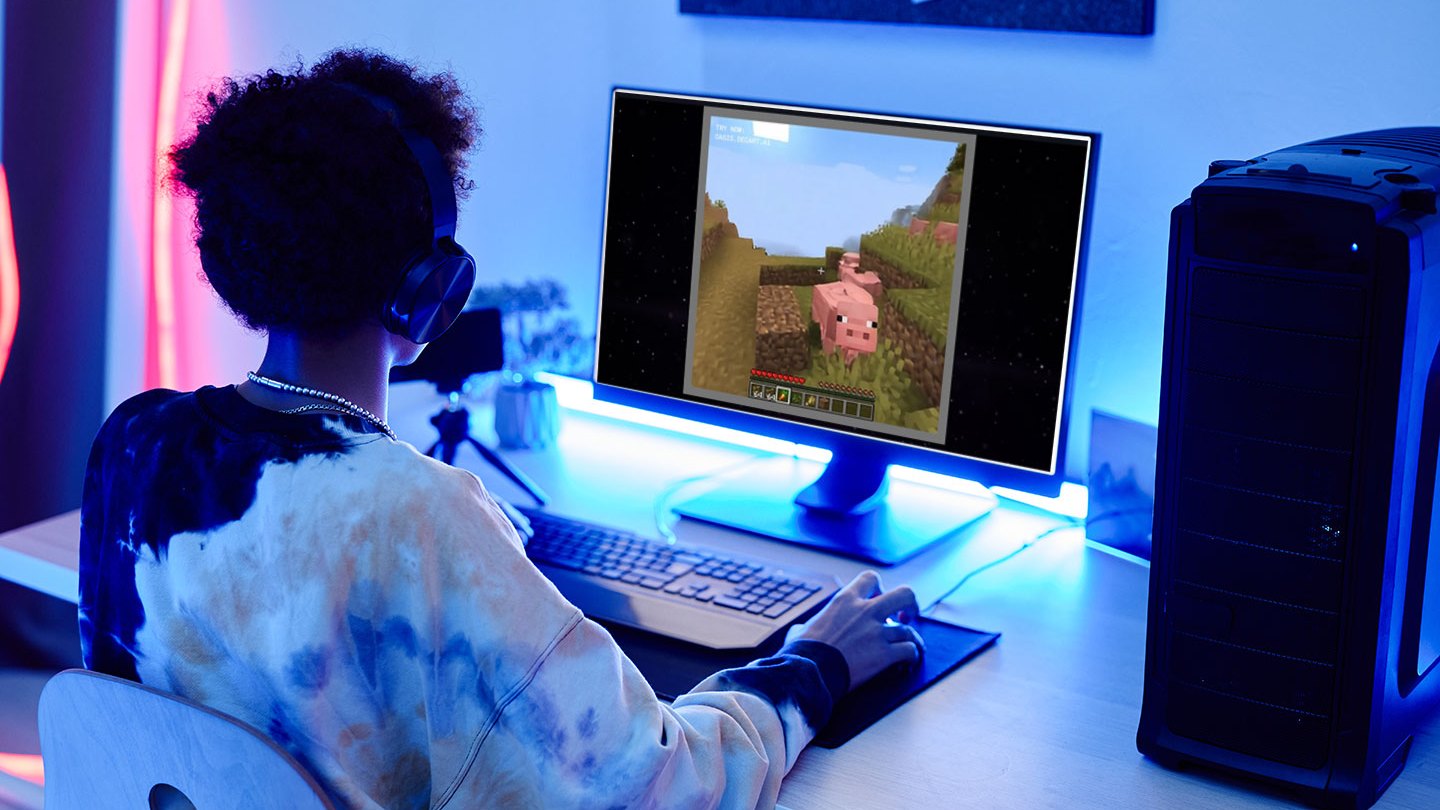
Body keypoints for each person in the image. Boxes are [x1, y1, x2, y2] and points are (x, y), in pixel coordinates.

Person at [79, 48, 923, 809]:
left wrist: (467, 559)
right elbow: (664, 789)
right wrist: (817, 664)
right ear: (430, 289)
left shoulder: (134, 444)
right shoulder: (415, 514)